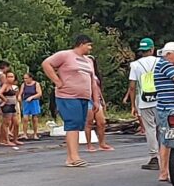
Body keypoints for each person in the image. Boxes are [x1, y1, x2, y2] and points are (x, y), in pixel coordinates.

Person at [42, 34, 101, 168]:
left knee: (79, 124)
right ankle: (74, 156)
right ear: (81, 44)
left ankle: (71, 157)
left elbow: (93, 81)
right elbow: (46, 64)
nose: (90, 48)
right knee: (72, 123)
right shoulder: (65, 55)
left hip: (84, 97)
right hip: (68, 95)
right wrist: (57, 81)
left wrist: (96, 100)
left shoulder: (89, 61)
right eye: (89, 45)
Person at [154, 42, 174, 181]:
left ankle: (165, 171)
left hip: (166, 107)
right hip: (169, 108)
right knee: (166, 140)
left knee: (166, 139)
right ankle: (164, 171)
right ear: (168, 54)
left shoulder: (163, 65)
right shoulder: (166, 65)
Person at [127, 38, 160, 170]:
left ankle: (154, 157)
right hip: (160, 100)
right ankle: (166, 155)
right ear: (152, 49)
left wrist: (133, 105)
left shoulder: (135, 65)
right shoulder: (160, 62)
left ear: (141, 51)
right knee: (162, 128)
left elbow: (132, 86)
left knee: (150, 129)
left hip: (144, 101)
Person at [84, 55, 114, 152]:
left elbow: (97, 88)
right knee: (89, 122)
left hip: (97, 99)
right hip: (87, 99)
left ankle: (102, 143)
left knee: (101, 122)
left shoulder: (95, 76)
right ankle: (89, 145)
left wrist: (102, 100)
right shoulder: (83, 74)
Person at [0, 71, 23, 146]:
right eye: (8, 77)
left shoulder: (13, 86)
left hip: (12, 106)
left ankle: (15, 139)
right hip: (7, 106)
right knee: (6, 123)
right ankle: (6, 140)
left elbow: (16, 95)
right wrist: (4, 100)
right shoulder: (5, 85)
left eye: (12, 77)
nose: (10, 78)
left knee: (16, 123)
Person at [21, 72, 43, 140]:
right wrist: (19, 97)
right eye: (24, 78)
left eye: (26, 78)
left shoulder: (36, 84)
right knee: (25, 118)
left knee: (35, 118)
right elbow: (21, 92)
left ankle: (35, 134)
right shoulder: (23, 84)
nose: (25, 80)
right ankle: (24, 134)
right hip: (26, 102)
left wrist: (32, 97)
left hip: (34, 102)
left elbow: (39, 93)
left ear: (30, 78)